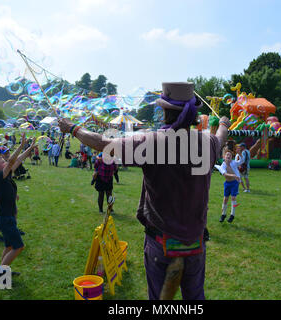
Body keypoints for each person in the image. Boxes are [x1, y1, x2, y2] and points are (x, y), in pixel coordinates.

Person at [59, 82, 230, 300]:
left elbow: (103, 143)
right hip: (195, 243)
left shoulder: (152, 143)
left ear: (165, 111)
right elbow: (221, 136)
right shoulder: (207, 143)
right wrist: (224, 122)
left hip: (161, 244)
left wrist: (73, 128)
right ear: (193, 113)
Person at [0, 134, 36, 283]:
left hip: (6, 217)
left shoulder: (6, 175)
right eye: (1, 161)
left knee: (9, 247)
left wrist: (30, 147)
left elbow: (18, 160)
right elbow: (12, 161)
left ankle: (4, 269)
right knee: (19, 246)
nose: (5, 161)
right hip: (5, 218)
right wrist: (21, 144)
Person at [217, 149, 242, 223]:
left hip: (234, 183)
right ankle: (223, 214)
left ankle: (232, 215)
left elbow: (241, 161)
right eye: (227, 155)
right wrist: (234, 175)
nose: (228, 156)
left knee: (233, 198)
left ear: (232, 158)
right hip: (227, 183)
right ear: (224, 157)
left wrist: (240, 154)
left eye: (230, 155)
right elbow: (224, 174)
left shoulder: (234, 163)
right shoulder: (223, 165)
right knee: (225, 199)